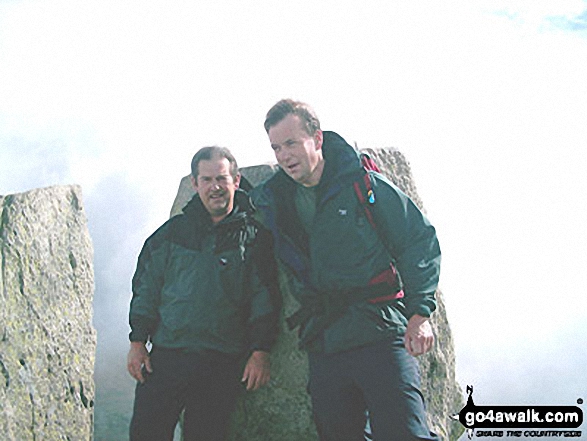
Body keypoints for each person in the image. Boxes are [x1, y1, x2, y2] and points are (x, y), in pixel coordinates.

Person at [251, 99, 441, 440]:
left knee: (406, 435)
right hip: (326, 342)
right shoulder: (275, 201)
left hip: (380, 332)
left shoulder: (362, 185)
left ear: (317, 138)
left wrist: (420, 313)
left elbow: (418, 240)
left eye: (291, 143)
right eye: (276, 147)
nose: (284, 155)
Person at [127, 146, 280, 441]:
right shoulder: (170, 235)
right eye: (207, 180)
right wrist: (137, 341)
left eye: (222, 179)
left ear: (236, 181)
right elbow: (146, 287)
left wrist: (261, 352)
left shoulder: (254, 239)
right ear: (195, 184)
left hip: (221, 364)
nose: (215, 187)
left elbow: (266, 299)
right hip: (165, 360)